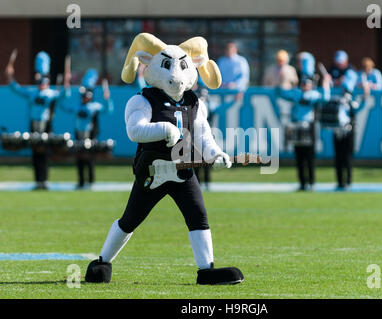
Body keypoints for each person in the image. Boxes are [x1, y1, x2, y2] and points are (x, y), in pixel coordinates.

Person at [85, 34, 244, 285]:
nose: (177, 76)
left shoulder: (194, 102)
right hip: (153, 172)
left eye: (183, 66)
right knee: (130, 220)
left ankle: (206, 269)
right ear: (150, 65)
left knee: (198, 216)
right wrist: (164, 129)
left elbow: (203, 135)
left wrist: (216, 153)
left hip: (183, 170)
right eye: (168, 65)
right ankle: (102, 263)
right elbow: (134, 130)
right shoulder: (143, 99)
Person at [4, 50, 70, 190]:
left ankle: (44, 180)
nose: (41, 84)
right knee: (35, 153)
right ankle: (38, 180)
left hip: (45, 125)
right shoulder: (32, 93)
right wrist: (10, 76)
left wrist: (66, 82)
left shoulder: (51, 94)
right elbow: (15, 88)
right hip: (34, 125)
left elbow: (64, 95)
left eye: (43, 81)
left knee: (44, 152)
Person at [278, 52, 331, 190]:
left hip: (309, 125)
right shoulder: (297, 93)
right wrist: (282, 80)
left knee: (310, 156)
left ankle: (311, 182)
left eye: (307, 83)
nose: (305, 86)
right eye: (303, 83)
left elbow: (325, 98)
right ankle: (302, 182)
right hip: (297, 125)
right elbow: (281, 93)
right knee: (299, 156)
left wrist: (325, 84)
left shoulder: (311, 94)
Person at [61, 69, 114, 189]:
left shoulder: (94, 106)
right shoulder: (77, 106)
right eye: (84, 97)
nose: (85, 98)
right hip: (79, 135)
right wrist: (64, 91)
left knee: (89, 159)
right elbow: (63, 106)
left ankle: (90, 181)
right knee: (79, 159)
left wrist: (107, 99)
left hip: (90, 135)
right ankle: (80, 182)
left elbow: (108, 110)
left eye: (87, 97)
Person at [322, 69, 368, 190]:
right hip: (338, 131)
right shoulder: (337, 100)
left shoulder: (352, 102)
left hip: (349, 131)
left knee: (347, 157)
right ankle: (339, 181)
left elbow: (363, 101)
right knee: (338, 157)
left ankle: (347, 181)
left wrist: (365, 88)